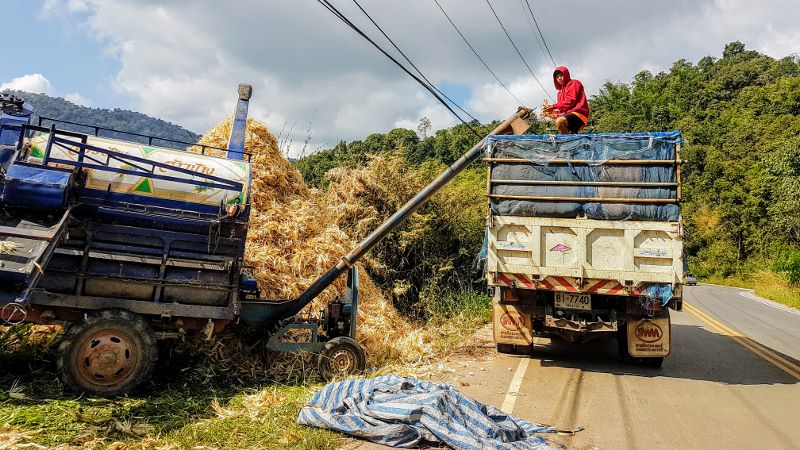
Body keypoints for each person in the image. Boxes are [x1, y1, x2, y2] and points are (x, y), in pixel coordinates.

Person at [544, 66, 589, 134]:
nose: (559, 78)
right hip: (568, 116)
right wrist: (551, 113)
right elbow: (561, 110)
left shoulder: (574, 83)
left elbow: (571, 101)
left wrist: (553, 106)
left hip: (579, 114)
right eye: (557, 77)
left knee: (560, 121)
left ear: (566, 75)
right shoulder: (559, 93)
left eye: (561, 75)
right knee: (562, 126)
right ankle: (568, 142)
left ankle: (564, 141)